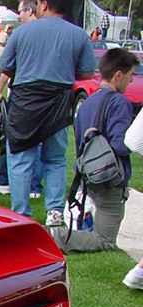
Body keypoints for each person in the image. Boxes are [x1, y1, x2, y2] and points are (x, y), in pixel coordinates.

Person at [0, 0, 94, 225]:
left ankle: (21, 213)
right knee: (55, 158)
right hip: (59, 101)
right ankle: (54, 212)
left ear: (43, 4)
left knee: (20, 156)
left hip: (26, 100)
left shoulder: (22, 32)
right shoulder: (78, 35)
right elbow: (86, 72)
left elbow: (5, 67)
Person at [56, 48, 137, 251]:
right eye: (130, 76)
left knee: (97, 226)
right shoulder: (120, 103)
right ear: (118, 75)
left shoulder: (86, 103)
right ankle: (54, 237)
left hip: (90, 174)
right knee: (105, 240)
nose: (131, 82)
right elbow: (120, 143)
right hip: (111, 178)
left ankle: (57, 235)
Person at [0, 0, 43, 198]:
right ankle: (34, 186)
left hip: (23, 95)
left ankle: (7, 181)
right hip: (44, 96)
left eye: (20, 11)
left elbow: (7, 67)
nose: (19, 15)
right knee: (39, 142)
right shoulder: (47, 34)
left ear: (30, 11)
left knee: (12, 139)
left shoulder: (22, 34)